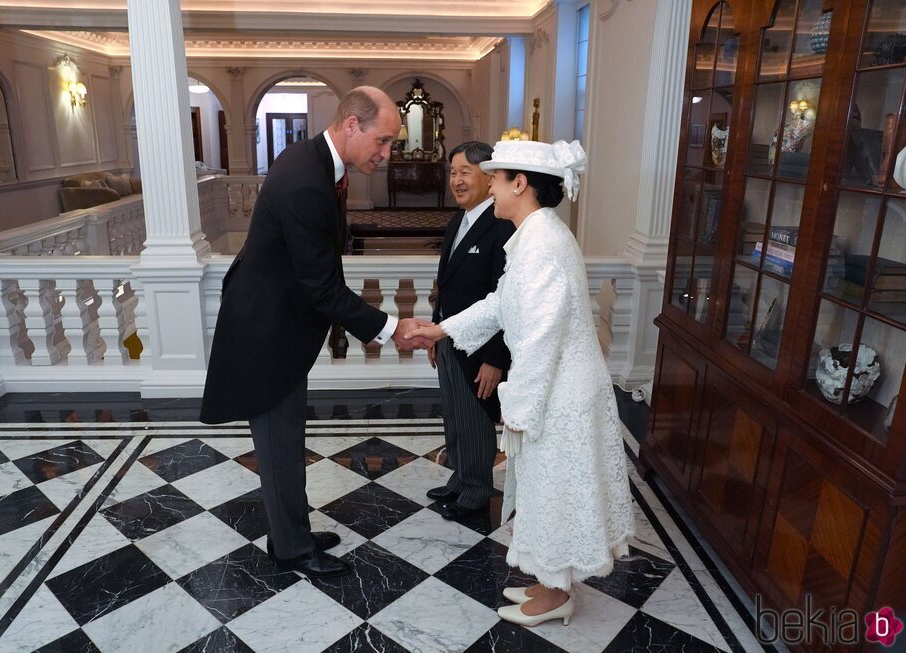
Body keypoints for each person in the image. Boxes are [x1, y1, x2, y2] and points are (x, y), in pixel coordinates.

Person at [200, 87, 430, 579]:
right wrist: (392, 328)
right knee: (281, 446)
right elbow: (323, 286)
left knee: (285, 441)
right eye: (383, 141)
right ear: (351, 125)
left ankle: (291, 534)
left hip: (275, 320)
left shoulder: (314, 162)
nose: (387, 155)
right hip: (267, 331)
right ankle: (290, 549)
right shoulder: (307, 180)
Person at [407, 139, 634, 626]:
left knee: (551, 489)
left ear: (520, 184)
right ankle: (549, 579)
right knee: (540, 487)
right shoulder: (531, 235)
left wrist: (519, 407)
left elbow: (539, 338)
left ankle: (557, 595)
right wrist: (441, 328)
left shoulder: (544, 244)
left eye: (495, 176)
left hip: (559, 393)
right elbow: (500, 304)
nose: (488, 184)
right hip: (553, 386)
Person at [426, 141, 514, 520]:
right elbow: (445, 283)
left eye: (465, 172)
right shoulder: (457, 220)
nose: (456, 181)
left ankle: (478, 490)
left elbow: (505, 299)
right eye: (452, 173)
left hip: (481, 348)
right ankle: (460, 479)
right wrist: (435, 329)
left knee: (476, 418)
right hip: (449, 337)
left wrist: (496, 360)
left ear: (488, 176)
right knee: (454, 415)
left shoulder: (500, 226)